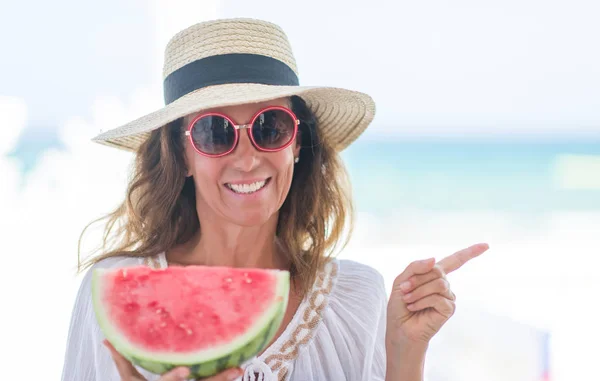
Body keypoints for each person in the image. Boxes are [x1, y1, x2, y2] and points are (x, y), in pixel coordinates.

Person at [60, 17, 489, 381]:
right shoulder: (119, 290)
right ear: (183, 155)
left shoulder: (356, 297)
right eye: (215, 131)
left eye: (270, 128)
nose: (247, 159)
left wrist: (405, 350)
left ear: (297, 144)